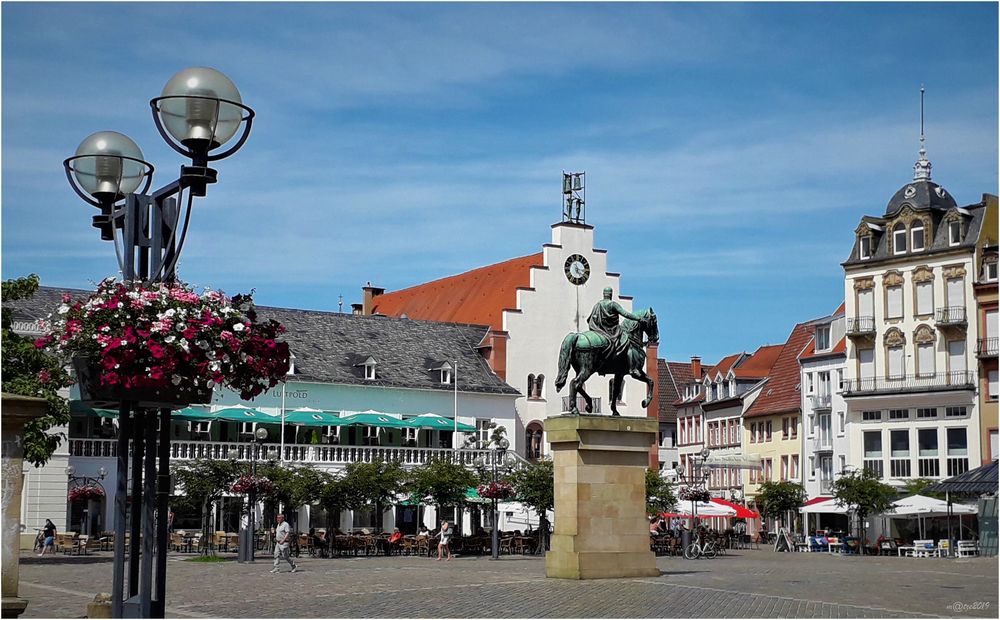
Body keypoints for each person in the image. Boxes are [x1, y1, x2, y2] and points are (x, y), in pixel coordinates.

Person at [587, 287, 642, 357]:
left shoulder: (597, 305)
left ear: (603, 294)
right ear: (611, 294)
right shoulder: (613, 304)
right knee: (625, 340)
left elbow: (591, 318)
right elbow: (625, 314)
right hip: (612, 331)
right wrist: (637, 318)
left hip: (599, 330)